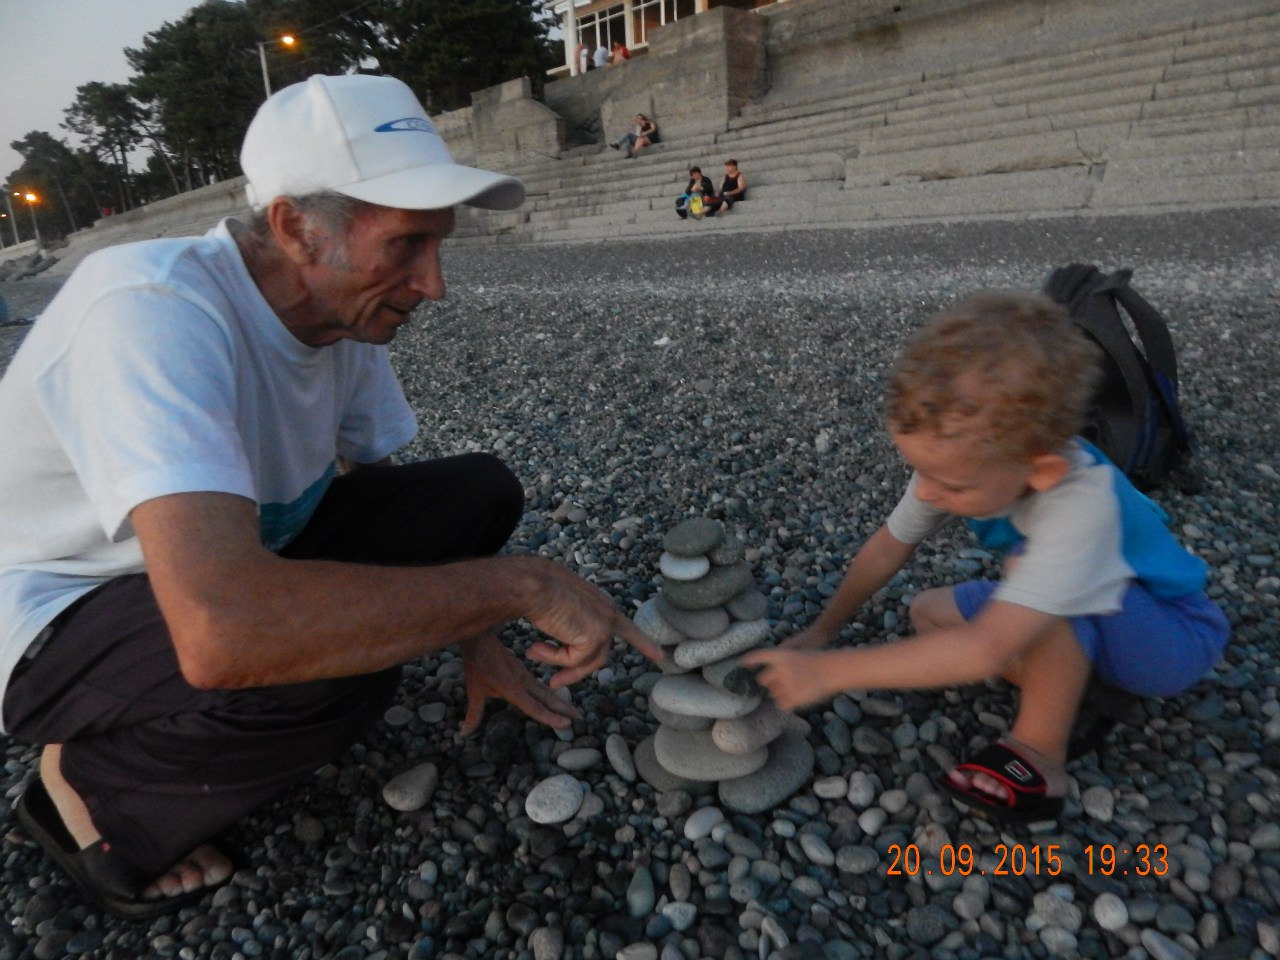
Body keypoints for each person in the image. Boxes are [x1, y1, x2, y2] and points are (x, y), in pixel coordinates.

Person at [0, 73, 661, 919]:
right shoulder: (152, 309)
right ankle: (89, 792)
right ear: (295, 228)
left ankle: (156, 723)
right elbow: (223, 633)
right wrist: (521, 587)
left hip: (222, 568)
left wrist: (475, 635)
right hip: (55, 613)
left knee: (476, 492)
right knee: (332, 674)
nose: (435, 284)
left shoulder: (335, 312)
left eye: (438, 247)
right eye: (407, 247)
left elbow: (384, 497)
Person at [743, 291, 1228, 824]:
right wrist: (822, 632)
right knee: (927, 614)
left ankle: (1041, 752)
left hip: (1171, 639)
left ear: (1040, 470)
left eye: (946, 483)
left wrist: (827, 672)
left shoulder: (1081, 502)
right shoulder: (960, 460)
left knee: (1022, 589)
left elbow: (987, 649)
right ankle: (1070, 681)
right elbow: (887, 547)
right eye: (920, 472)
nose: (926, 493)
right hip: (1094, 615)